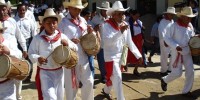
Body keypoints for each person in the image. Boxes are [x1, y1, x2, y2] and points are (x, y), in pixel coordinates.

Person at [28, 8, 77, 100]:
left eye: (54, 22)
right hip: (45, 72)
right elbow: (31, 53)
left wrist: (68, 44)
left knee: (59, 97)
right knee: (50, 97)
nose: (52, 25)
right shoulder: (38, 38)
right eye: (48, 23)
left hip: (59, 72)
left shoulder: (61, 36)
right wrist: (38, 58)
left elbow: (76, 47)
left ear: (57, 23)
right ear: (43, 24)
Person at [101, 1, 143, 99]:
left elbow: (129, 42)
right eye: (119, 13)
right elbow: (107, 42)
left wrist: (138, 55)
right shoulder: (106, 25)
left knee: (113, 77)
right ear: (113, 15)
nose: (121, 15)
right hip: (110, 56)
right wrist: (120, 31)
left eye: (122, 13)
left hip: (120, 56)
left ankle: (106, 90)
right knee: (118, 77)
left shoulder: (125, 25)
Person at [59, 0, 95, 99]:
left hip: (84, 56)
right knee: (71, 87)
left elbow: (87, 36)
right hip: (71, 58)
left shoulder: (83, 20)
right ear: (69, 8)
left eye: (79, 9)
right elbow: (59, 38)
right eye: (75, 8)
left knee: (89, 82)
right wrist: (69, 41)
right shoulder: (63, 22)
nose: (78, 11)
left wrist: (90, 32)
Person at [161, 7, 197, 98]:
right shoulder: (173, 26)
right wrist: (176, 46)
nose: (189, 19)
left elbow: (192, 38)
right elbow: (166, 38)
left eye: (190, 17)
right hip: (176, 53)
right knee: (177, 73)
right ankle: (164, 80)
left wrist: (196, 38)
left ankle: (186, 91)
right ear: (182, 16)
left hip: (187, 52)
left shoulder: (190, 26)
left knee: (190, 72)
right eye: (187, 17)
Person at [0, 1, 27, 100]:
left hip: (14, 54)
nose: (2, 12)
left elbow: (20, 36)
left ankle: (18, 96)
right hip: (2, 57)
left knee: (18, 77)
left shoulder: (12, 21)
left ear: (7, 9)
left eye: (3, 9)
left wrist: (24, 48)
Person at [14, 3, 37, 83]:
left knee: (29, 59)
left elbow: (33, 32)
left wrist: (34, 42)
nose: (22, 11)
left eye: (23, 10)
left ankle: (28, 77)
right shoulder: (14, 21)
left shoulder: (30, 21)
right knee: (18, 59)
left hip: (28, 41)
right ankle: (19, 75)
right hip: (17, 42)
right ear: (18, 10)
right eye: (20, 10)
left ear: (26, 10)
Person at [0, 22, 22, 100]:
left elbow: (20, 55)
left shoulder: (8, 43)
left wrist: (9, 52)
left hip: (7, 84)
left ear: (1, 32)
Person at [91, 1, 110, 83]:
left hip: (109, 44)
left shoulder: (110, 18)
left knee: (108, 61)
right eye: (104, 10)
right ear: (101, 10)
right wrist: (95, 28)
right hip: (100, 44)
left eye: (106, 10)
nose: (105, 12)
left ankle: (108, 74)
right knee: (101, 61)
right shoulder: (95, 19)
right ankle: (103, 75)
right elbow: (91, 31)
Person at [126, 9, 145, 76]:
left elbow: (142, 31)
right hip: (131, 40)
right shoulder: (128, 23)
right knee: (129, 55)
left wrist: (143, 39)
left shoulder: (139, 22)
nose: (137, 18)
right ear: (132, 15)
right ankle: (125, 64)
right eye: (136, 16)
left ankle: (136, 70)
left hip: (139, 41)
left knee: (139, 55)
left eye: (138, 16)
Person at [158, 7, 176, 77]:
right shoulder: (163, 22)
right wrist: (165, 41)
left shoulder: (172, 21)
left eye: (173, 14)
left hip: (171, 41)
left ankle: (170, 69)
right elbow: (162, 32)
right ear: (167, 14)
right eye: (171, 14)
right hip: (164, 41)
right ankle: (163, 71)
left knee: (173, 55)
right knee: (164, 56)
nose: (172, 16)